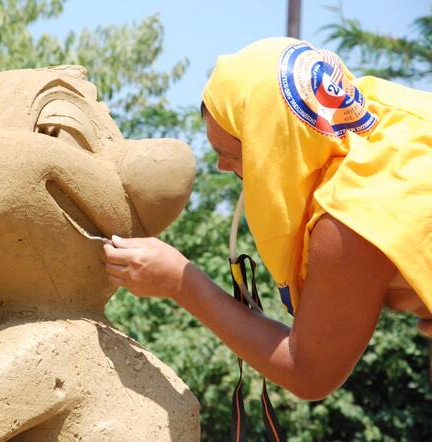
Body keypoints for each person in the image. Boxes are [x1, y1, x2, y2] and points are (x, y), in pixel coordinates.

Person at [103, 37, 431, 401]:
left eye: (235, 157)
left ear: (275, 147)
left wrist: (182, 282)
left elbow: (309, 373)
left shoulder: (356, 213)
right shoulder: (388, 115)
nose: (221, 167)